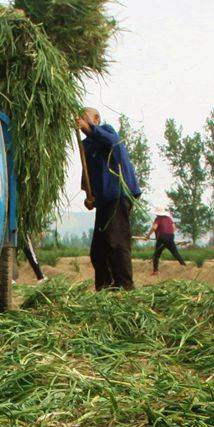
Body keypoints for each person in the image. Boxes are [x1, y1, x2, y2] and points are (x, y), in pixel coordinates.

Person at [75, 108, 138, 291]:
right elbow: (87, 176)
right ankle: (104, 288)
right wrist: (89, 195)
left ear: (96, 119)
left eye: (86, 118)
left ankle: (125, 287)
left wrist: (90, 129)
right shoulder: (87, 146)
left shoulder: (108, 131)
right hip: (104, 200)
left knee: (116, 242)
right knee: (98, 249)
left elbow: (111, 142)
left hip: (118, 194)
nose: (82, 122)